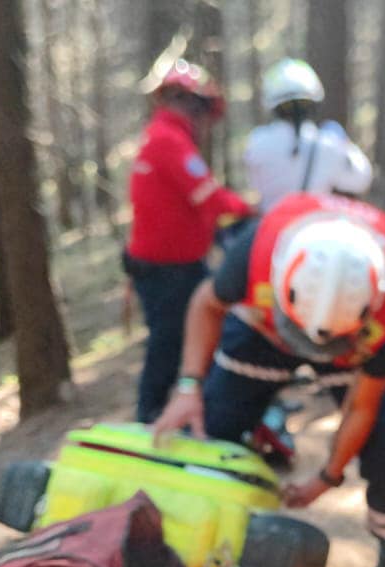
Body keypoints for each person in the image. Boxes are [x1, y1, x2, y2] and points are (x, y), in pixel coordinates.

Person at [150, 192, 385, 567]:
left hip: (352, 350)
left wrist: (327, 476)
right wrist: (188, 388)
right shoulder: (258, 247)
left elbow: (363, 407)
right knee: (209, 430)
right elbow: (207, 302)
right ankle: (202, 547)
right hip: (263, 331)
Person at [126, 59, 253, 424]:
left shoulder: (167, 136)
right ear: (190, 103)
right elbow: (210, 199)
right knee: (170, 344)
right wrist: (252, 210)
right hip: (167, 272)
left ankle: (212, 408)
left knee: (198, 335)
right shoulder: (169, 140)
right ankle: (149, 417)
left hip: (179, 266)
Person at [243, 58, 374, 210]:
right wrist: (345, 143)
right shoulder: (330, 143)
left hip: (271, 228)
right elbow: (360, 179)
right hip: (312, 225)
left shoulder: (257, 141)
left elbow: (255, 184)